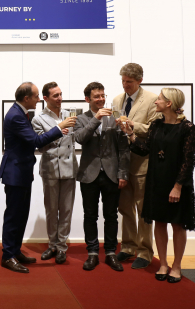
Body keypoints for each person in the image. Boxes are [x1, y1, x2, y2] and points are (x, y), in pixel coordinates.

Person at [120, 88, 195, 283]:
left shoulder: (187, 127)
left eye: (160, 99)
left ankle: (176, 265)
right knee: (160, 223)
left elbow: (189, 161)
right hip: (156, 181)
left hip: (176, 183)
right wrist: (130, 134)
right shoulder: (155, 125)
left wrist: (178, 186)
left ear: (169, 103)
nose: (156, 102)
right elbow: (146, 150)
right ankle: (163, 263)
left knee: (178, 225)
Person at [0, 82, 75, 273]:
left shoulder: (21, 112)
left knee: (21, 215)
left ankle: (15, 251)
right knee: (13, 216)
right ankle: (8, 255)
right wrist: (60, 127)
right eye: (35, 96)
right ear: (26, 98)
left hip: (22, 171)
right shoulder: (16, 115)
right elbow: (35, 141)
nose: (38, 99)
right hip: (15, 172)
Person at [75, 82, 130, 272]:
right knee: (90, 215)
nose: (101, 99)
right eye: (97, 96)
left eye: (102, 95)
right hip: (88, 174)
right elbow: (80, 138)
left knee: (111, 216)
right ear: (87, 99)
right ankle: (92, 253)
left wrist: (123, 173)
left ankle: (110, 253)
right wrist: (96, 118)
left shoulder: (115, 118)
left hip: (111, 174)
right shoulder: (81, 118)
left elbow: (123, 148)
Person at [112, 63, 160, 269]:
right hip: (121, 165)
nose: (125, 85)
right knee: (125, 209)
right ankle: (128, 247)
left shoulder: (152, 100)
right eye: (123, 81)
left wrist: (133, 126)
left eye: (129, 82)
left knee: (143, 210)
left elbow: (155, 130)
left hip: (142, 164)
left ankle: (145, 251)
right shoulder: (116, 100)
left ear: (140, 80)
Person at [31, 82, 78, 265]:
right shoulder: (38, 119)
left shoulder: (70, 115)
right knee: (51, 210)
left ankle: (62, 247)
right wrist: (58, 131)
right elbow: (40, 145)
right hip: (50, 167)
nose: (60, 98)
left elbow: (77, 138)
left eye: (60, 94)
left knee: (66, 209)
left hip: (69, 168)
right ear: (45, 98)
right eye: (55, 95)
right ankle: (52, 245)